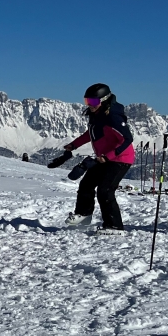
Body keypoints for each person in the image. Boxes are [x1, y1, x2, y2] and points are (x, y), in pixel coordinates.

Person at [63, 83, 136, 233]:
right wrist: (73, 145)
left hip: (120, 158)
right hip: (103, 157)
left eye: (93, 102)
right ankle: (83, 215)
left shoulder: (113, 117)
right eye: (87, 101)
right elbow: (90, 133)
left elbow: (127, 139)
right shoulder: (97, 115)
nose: (90, 105)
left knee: (105, 190)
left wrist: (108, 156)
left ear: (104, 100)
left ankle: (115, 226)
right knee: (86, 184)